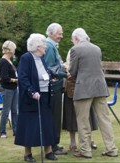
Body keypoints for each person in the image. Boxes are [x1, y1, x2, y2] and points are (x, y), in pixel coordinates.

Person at [69, 28, 118, 158]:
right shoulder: (97, 48)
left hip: (84, 89)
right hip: (100, 88)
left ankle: (85, 150)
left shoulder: (75, 50)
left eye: (72, 40)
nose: (72, 43)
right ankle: (111, 149)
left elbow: (72, 71)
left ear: (76, 39)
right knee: (104, 120)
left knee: (83, 120)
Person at [15, 33, 57, 162]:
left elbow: (43, 74)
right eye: (44, 44)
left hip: (44, 95)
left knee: (46, 123)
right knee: (30, 125)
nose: (45, 46)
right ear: (38, 46)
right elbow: (23, 77)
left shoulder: (41, 58)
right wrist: (31, 91)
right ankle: (27, 153)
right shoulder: (26, 58)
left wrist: (51, 78)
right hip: (31, 97)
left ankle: (48, 150)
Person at [62, 50, 98, 152]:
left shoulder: (87, 55)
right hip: (71, 90)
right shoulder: (71, 55)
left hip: (86, 90)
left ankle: (88, 140)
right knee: (71, 117)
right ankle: (72, 142)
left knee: (87, 116)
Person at [43, 23, 68, 155]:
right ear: (51, 33)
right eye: (59, 33)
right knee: (54, 116)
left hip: (54, 86)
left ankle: (53, 144)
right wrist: (64, 73)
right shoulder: (50, 46)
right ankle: (53, 145)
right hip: (54, 87)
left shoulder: (51, 45)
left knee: (55, 116)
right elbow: (49, 68)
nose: (61, 36)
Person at [0, 40, 18, 138]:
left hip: (13, 88)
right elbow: (4, 77)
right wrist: (16, 80)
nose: (15, 51)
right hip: (7, 89)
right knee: (6, 110)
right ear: (10, 50)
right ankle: (2, 131)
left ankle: (16, 130)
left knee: (15, 110)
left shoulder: (9, 60)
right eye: (14, 49)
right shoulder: (4, 61)